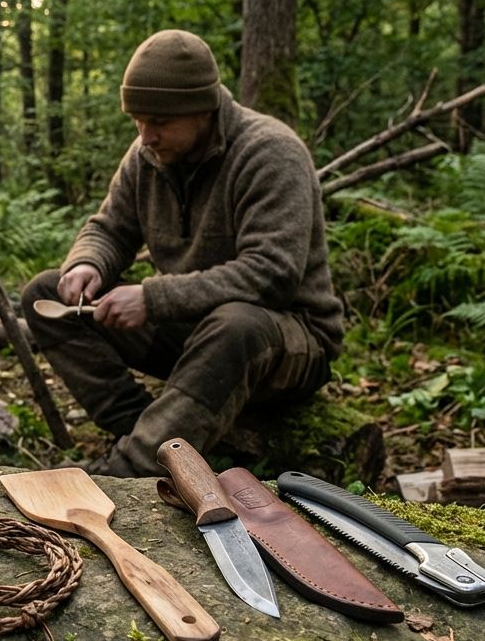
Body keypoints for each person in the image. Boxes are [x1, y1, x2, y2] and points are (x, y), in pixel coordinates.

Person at [22, 29, 344, 477]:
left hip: (287, 343)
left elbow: (272, 274)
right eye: (137, 120)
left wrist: (151, 299)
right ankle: (142, 429)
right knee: (44, 290)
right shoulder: (148, 154)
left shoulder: (271, 152)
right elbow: (110, 228)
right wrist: (87, 262)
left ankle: (129, 472)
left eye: (158, 122)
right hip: (189, 333)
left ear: (202, 109)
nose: (145, 135)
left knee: (236, 324)